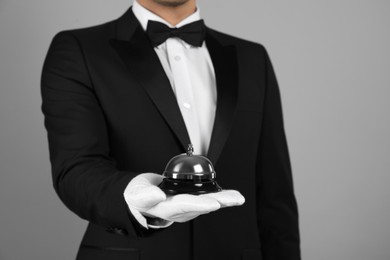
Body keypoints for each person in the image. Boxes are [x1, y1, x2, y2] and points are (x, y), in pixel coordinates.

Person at [41, 0, 301, 259]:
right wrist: (134, 195)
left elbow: (275, 194)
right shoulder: (79, 49)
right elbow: (76, 169)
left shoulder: (253, 58)